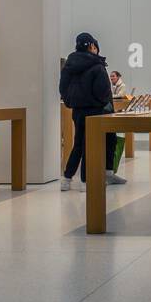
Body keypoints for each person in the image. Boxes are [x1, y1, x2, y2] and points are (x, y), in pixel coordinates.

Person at [60, 32, 126, 191]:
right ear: (92, 46)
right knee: (98, 142)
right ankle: (86, 180)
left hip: (77, 111)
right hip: (97, 111)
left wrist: (71, 102)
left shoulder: (69, 65)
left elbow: (63, 88)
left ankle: (67, 179)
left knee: (79, 143)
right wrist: (101, 103)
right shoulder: (97, 66)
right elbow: (103, 91)